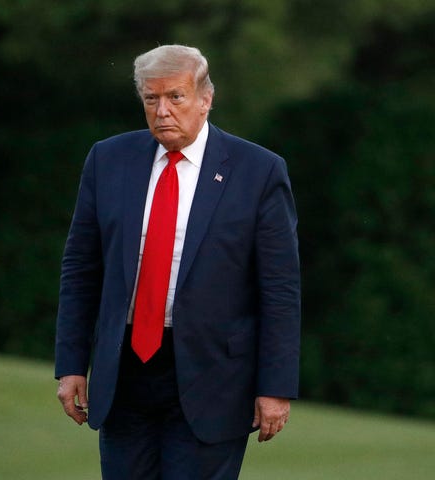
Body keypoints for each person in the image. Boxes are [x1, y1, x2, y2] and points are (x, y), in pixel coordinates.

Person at [55, 44, 300, 480]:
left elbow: (279, 288)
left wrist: (276, 387)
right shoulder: (108, 160)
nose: (162, 110)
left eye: (176, 97)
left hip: (215, 378)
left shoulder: (258, 171)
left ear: (205, 99)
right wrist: (71, 364)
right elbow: (81, 268)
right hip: (125, 372)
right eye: (152, 99)